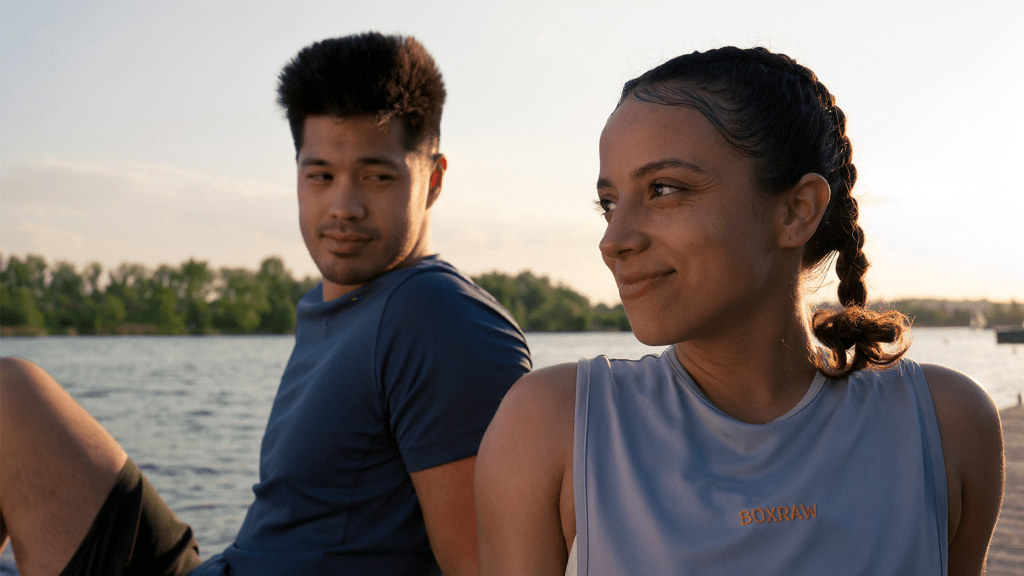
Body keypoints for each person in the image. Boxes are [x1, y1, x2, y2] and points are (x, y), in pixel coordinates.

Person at [0, 32, 531, 576]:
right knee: (8, 398)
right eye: (320, 175)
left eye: (375, 176)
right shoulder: (342, 310)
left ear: (433, 179)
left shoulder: (438, 317)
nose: (343, 206)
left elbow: (485, 566)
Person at [475, 46, 1003, 575]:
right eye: (609, 204)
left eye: (664, 189)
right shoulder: (550, 427)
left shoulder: (946, 423)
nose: (613, 240)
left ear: (797, 211)